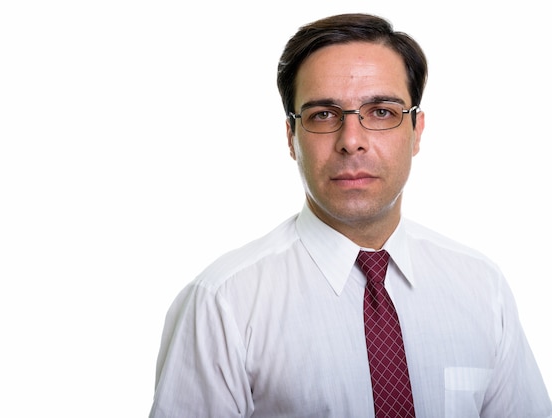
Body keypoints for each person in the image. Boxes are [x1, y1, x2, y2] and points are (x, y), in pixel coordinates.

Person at [148, 13, 552, 417]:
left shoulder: (483, 288)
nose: (352, 141)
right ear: (291, 137)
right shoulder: (223, 303)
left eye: (381, 112)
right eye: (323, 114)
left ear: (417, 131)